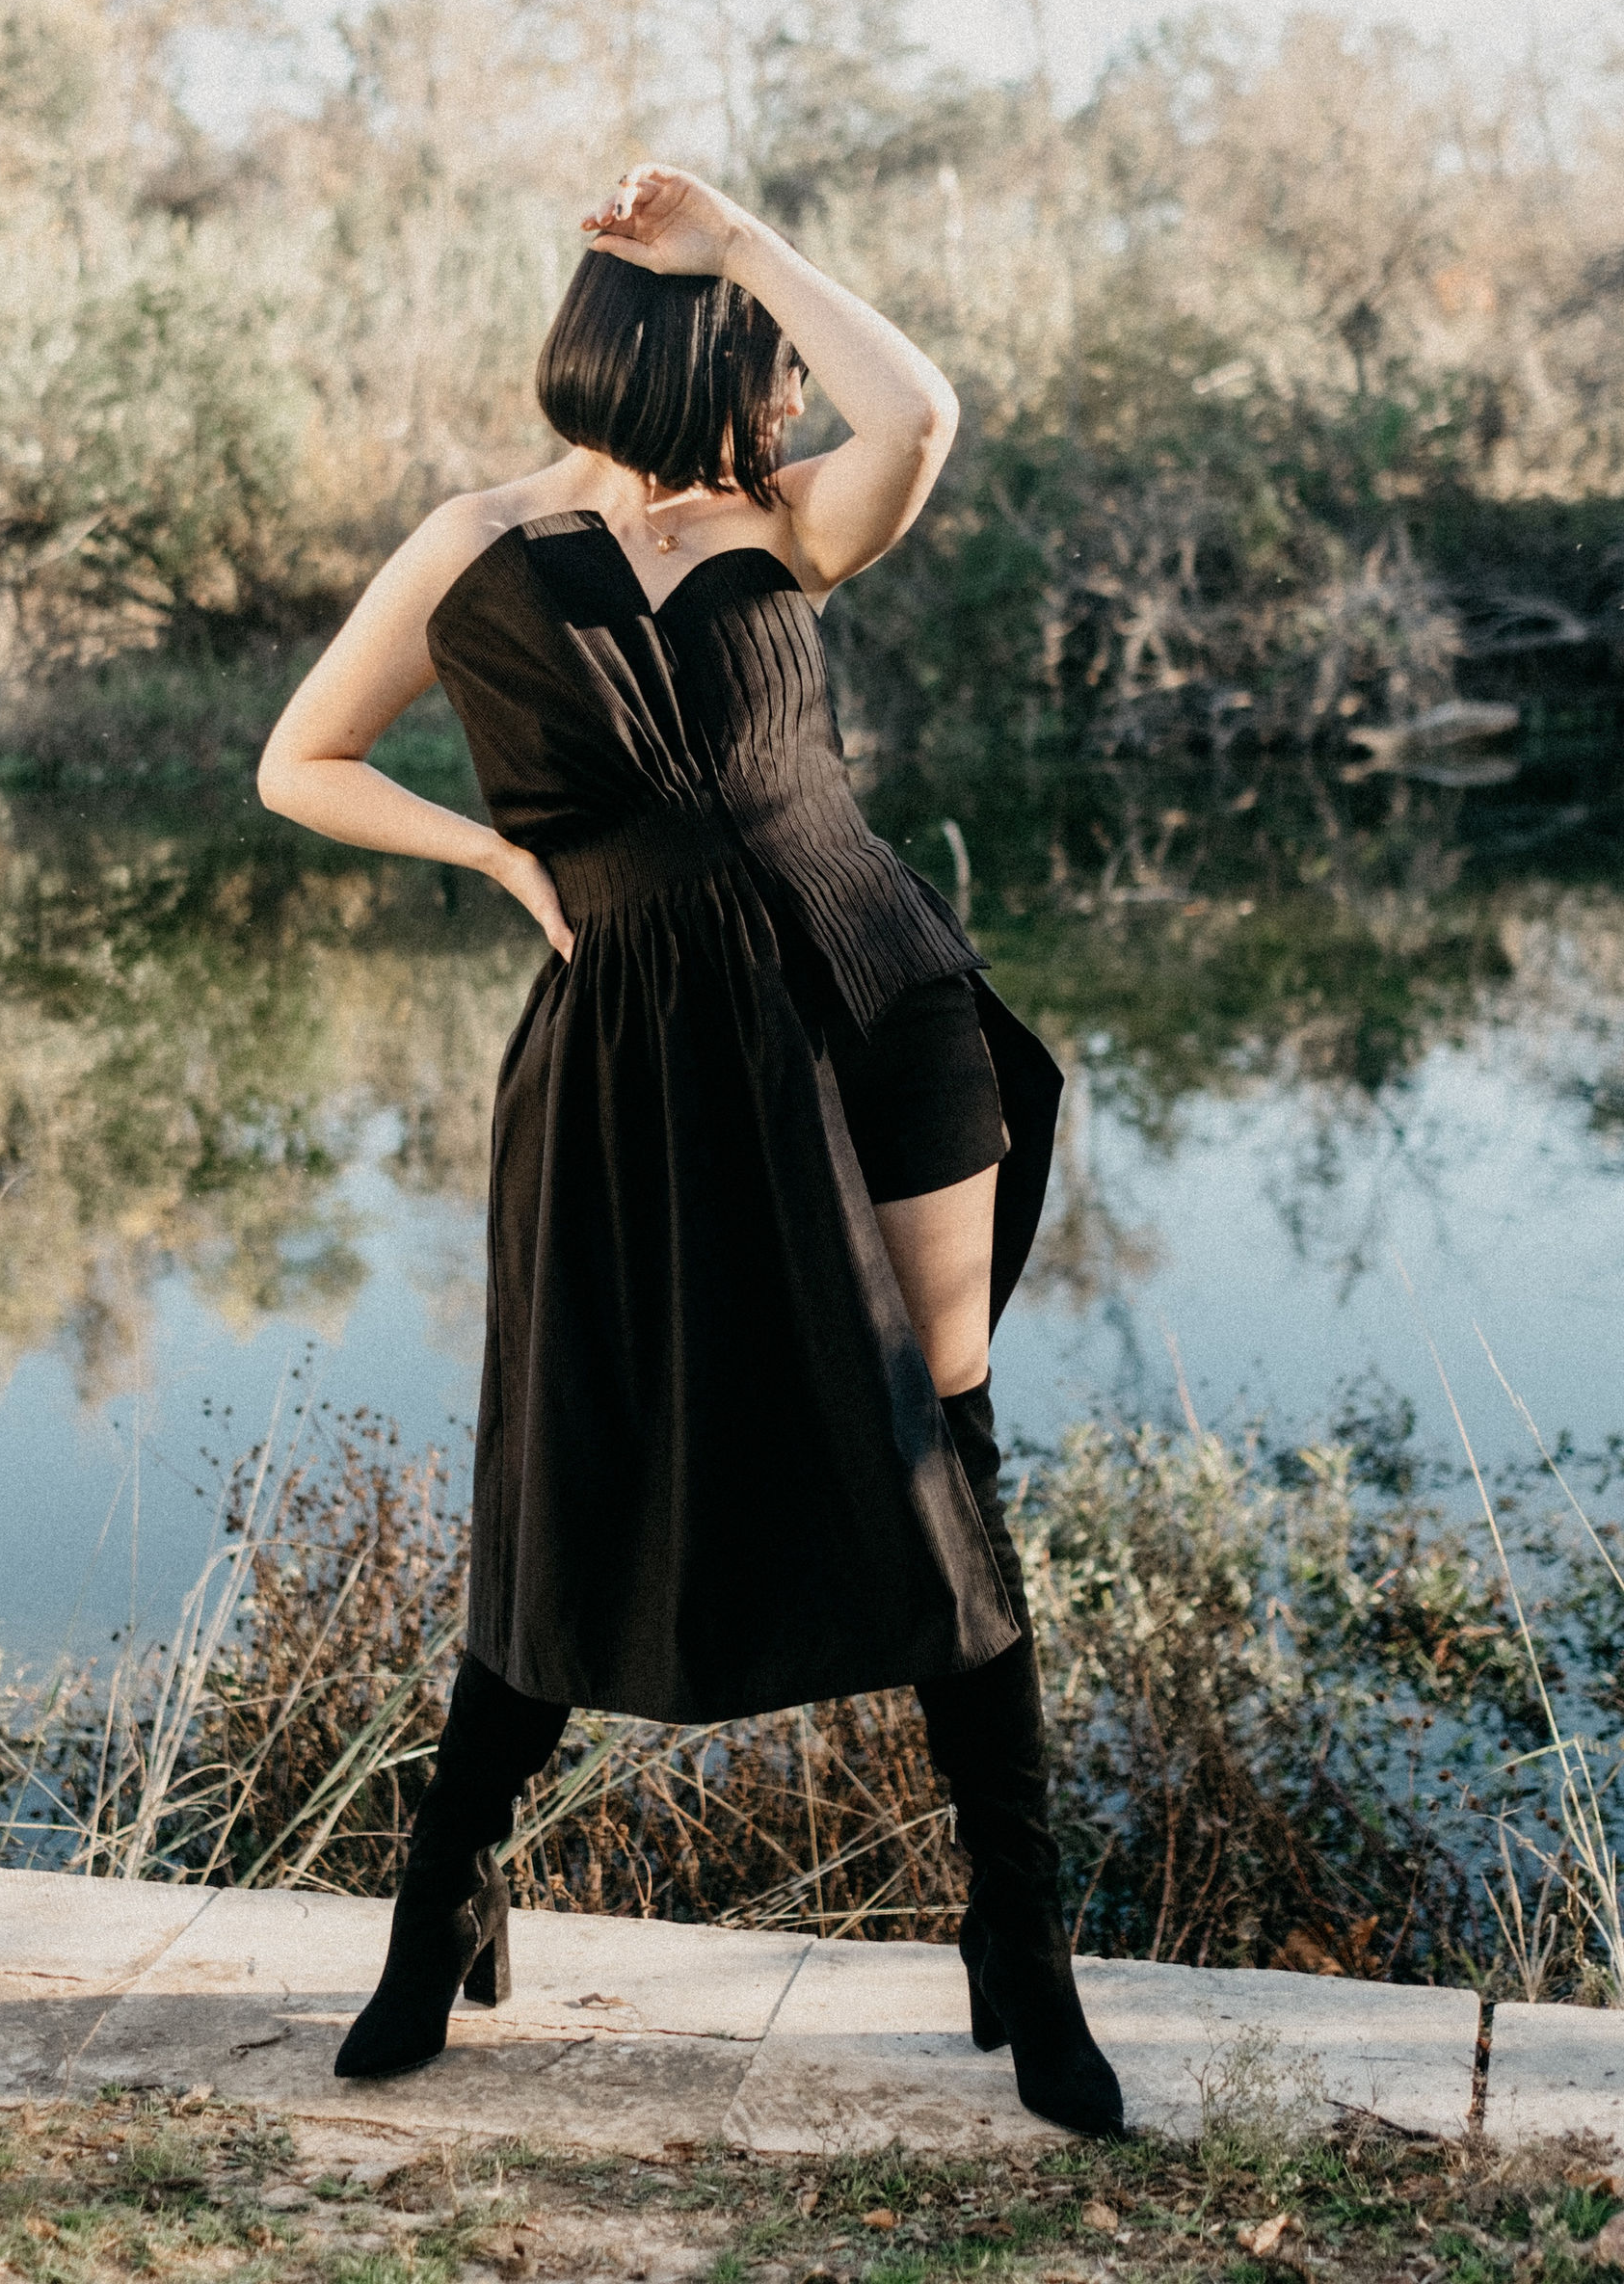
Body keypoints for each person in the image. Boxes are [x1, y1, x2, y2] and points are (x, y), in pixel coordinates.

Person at [256, 164, 1123, 2138]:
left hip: (877, 1004)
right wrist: (490, 852)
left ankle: (1029, 1946)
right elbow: (297, 759)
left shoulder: (786, 523)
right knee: (583, 1464)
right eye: (753, 350)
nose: (787, 392)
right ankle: (442, 1894)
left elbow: (924, 412)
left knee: (943, 1458)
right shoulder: (470, 546)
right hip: (641, 1054)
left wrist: (747, 242)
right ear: (687, 363)